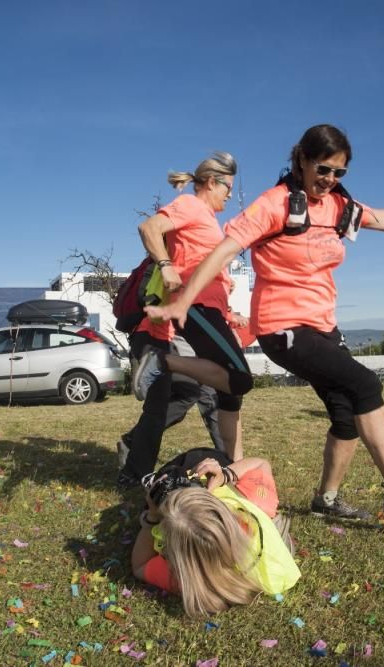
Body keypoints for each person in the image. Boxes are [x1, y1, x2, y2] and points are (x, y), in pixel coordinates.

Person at [146, 124, 384, 535]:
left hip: (322, 325)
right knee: (366, 385)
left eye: (339, 173)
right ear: (301, 160)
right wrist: (182, 297)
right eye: (323, 169)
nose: (330, 180)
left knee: (345, 414)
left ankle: (327, 500)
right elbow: (225, 250)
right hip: (283, 327)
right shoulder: (275, 204)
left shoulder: (338, 205)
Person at [131, 152, 254, 463]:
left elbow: (202, 263)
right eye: (229, 188)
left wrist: (229, 313)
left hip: (210, 310)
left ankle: (235, 467)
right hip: (196, 306)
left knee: (229, 392)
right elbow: (149, 228)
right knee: (240, 378)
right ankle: (162, 361)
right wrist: (166, 265)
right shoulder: (190, 205)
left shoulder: (208, 219)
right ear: (212, 182)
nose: (230, 195)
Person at [131, 450, 299, 617]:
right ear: (224, 513)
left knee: (170, 474)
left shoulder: (185, 579)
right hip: (212, 463)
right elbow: (262, 463)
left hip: (193, 461)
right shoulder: (256, 503)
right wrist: (226, 474)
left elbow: (139, 565)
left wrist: (152, 516)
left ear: (178, 554)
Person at [116, 335, 223, 484]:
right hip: (157, 343)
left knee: (190, 393)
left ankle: (134, 438)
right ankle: (132, 474)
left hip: (185, 353)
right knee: (156, 409)